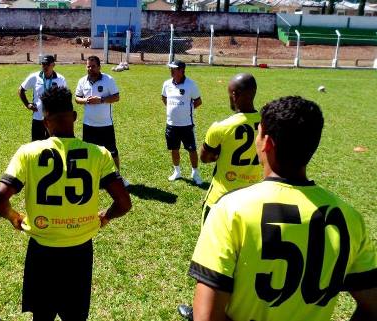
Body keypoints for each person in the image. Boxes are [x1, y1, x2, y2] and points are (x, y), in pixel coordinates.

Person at [189, 96, 377, 321]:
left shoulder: (230, 210)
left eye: (259, 133)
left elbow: (206, 317)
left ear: (266, 143)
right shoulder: (349, 218)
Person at [0, 87, 131, 321]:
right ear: (75, 117)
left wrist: (15, 218)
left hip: (42, 249)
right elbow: (124, 203)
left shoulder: (28, 152)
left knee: (42, 316)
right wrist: (105, 216)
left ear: (45, 121)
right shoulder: (99, 154)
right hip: (80, 250)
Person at [178, 73, 263, 320]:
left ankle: (202, 312)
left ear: (234, 95)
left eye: (230, 93)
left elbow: (205, 157)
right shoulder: (268, 125)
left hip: (221, 201)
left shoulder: (222, 127)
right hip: (254, 201)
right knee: (244, 257)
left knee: (213, 260)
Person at [74, 55, 129, 186]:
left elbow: (116, 97)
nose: (90, 68)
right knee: (89, 153)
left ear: (99, 67)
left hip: (105, 124)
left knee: (112, 152)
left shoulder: (108, 80)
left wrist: (101, 100)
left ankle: (118, 178)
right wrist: (86, 100)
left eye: (93, 66)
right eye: (88, 66)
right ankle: (91, 178)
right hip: (89, 125)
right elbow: (77, 98)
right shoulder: (82, 81)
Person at [161, 60, 203, 185]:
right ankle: (177, 172)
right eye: (170, 69)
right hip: (171, 124)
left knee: (192, 149)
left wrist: (186, 109)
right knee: (174, 149)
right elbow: (164, 97)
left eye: (174, 69)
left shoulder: (191, 84)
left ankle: (195, 173)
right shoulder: (167, 84)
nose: (171, 71)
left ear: (181, 70)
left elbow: (198, 101)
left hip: (186, 125)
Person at [19, 55, 67, 141]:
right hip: (38, 117)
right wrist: (27, 104)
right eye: (43, 64)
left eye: (47, 64)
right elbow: (21, 90)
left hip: (53, 119)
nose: (44, 66)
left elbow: (65, 98)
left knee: (52, 145)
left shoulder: (60, 79)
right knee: (36, 145)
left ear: (53, 65)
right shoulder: (34, 77)